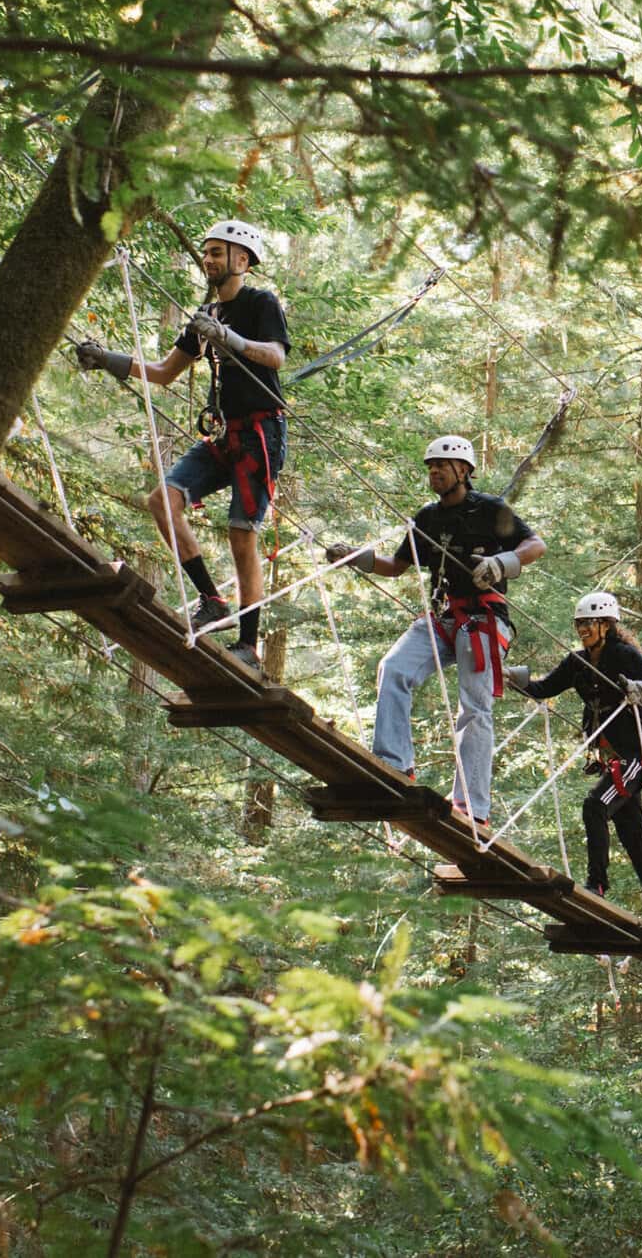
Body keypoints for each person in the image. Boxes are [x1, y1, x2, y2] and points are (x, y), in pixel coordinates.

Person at [74, 220, 288, 672]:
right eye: (206, 252)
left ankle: (249, 645)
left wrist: (229, 339)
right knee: (162, 500)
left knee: (241, 533)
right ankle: (212, 599)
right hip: (225, 433)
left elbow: (276, 355)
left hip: (260, 433)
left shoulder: (259, 303)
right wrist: (107, 360)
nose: (207, 260)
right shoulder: (205, 313)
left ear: (242, 260)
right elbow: (164, 371)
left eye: (217, 252)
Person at [326, 436, 545, 831]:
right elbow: (396, 565)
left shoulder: (490, 510)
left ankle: (471, 806)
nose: (434, 472)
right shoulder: (427, 517)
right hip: (442, 618)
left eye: (442, 465)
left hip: (481, 619)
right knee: (394, 669)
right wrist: (356, 557)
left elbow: (535, 544)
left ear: (464, 470)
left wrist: (502, 562)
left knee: (474, 709)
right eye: (430, 466)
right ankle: (394, 765)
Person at [504, 592, 642, 931]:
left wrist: (639, 690)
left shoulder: (624, 655)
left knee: (595, 806)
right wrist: (511, 677)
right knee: (634, 840)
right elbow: (543, 689)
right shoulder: (577, 663)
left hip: (636, 754)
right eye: (579, 623)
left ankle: (596, 884)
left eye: (588, 623)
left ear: (606, 624)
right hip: (614, 757)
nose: (582, 629)